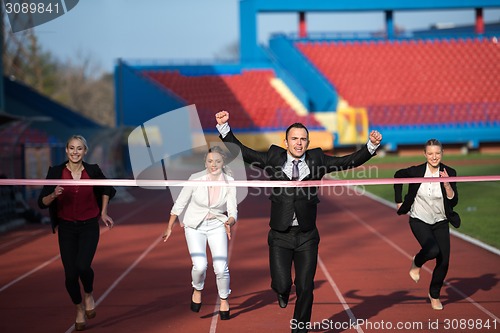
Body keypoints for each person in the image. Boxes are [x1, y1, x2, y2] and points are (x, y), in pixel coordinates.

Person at [215, 110, 382, 333]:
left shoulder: (317, 159)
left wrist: (370, 146)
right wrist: (225, 128)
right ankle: (282, 292)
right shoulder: (273, 157)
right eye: (294, 138)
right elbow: (244, 153)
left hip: (307, 236)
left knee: (305, 286)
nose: (299, 143)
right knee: (282, 284)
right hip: (279, 235)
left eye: (303, 139)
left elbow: (347, 161)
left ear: (308, 142)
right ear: (286, 142)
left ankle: (299, 327)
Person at [38, 135, 116, 331]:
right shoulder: (56, 172)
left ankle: (88, 293)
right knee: (70, 275)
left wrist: (104, 212)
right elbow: (42, 202)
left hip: (89, 225)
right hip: (66, 228)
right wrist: (54, 195)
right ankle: (79, 308)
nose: (75, 152)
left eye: (79, 148)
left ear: (85, 151)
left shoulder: (93, 170)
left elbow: (108, 189)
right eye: (71, 148)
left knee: (82, 266)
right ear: (66, 150)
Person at [162, 146, 237, 320]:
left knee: (221, 267)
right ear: (205, 161)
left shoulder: (230, 181)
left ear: (223, 162)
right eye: (210, 161)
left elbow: (233, 209)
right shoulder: (195, 178)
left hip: (217, 225)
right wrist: (169, 227)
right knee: (200, 266)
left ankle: (224, 299)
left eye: (217, 161)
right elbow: (180, 203)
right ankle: (197, 288)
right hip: (195, 226)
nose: (214, 164)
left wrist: (229, 221)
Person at [394, 138, 460, 311]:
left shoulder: (450, 172)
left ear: (442, 154)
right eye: (430, 153)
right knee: (432, 250)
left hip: (440, 220)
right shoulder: (416, 171)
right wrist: (399, 201)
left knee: (444, 262)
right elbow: (397, 176)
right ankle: (417, 261)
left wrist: (446, 184)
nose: (434, 157)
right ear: (425, 154)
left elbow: (453, 201)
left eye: (437, 153)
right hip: (419, 219)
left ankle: (434, 294)